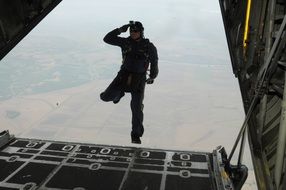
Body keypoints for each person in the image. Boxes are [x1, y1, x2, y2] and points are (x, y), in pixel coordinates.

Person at [100, 21, 159, 144]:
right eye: (131, 31)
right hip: (123, 75)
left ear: (141, 32)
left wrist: (153, 76)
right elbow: (107, 39)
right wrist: (120, 30)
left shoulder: (149, 46)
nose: (133, 33)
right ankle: (119, 94)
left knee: (136, 108)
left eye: (135, 31)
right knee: (105, 97)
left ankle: (136, 135)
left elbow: (154, 62)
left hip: (139, 79)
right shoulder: (125, 42)